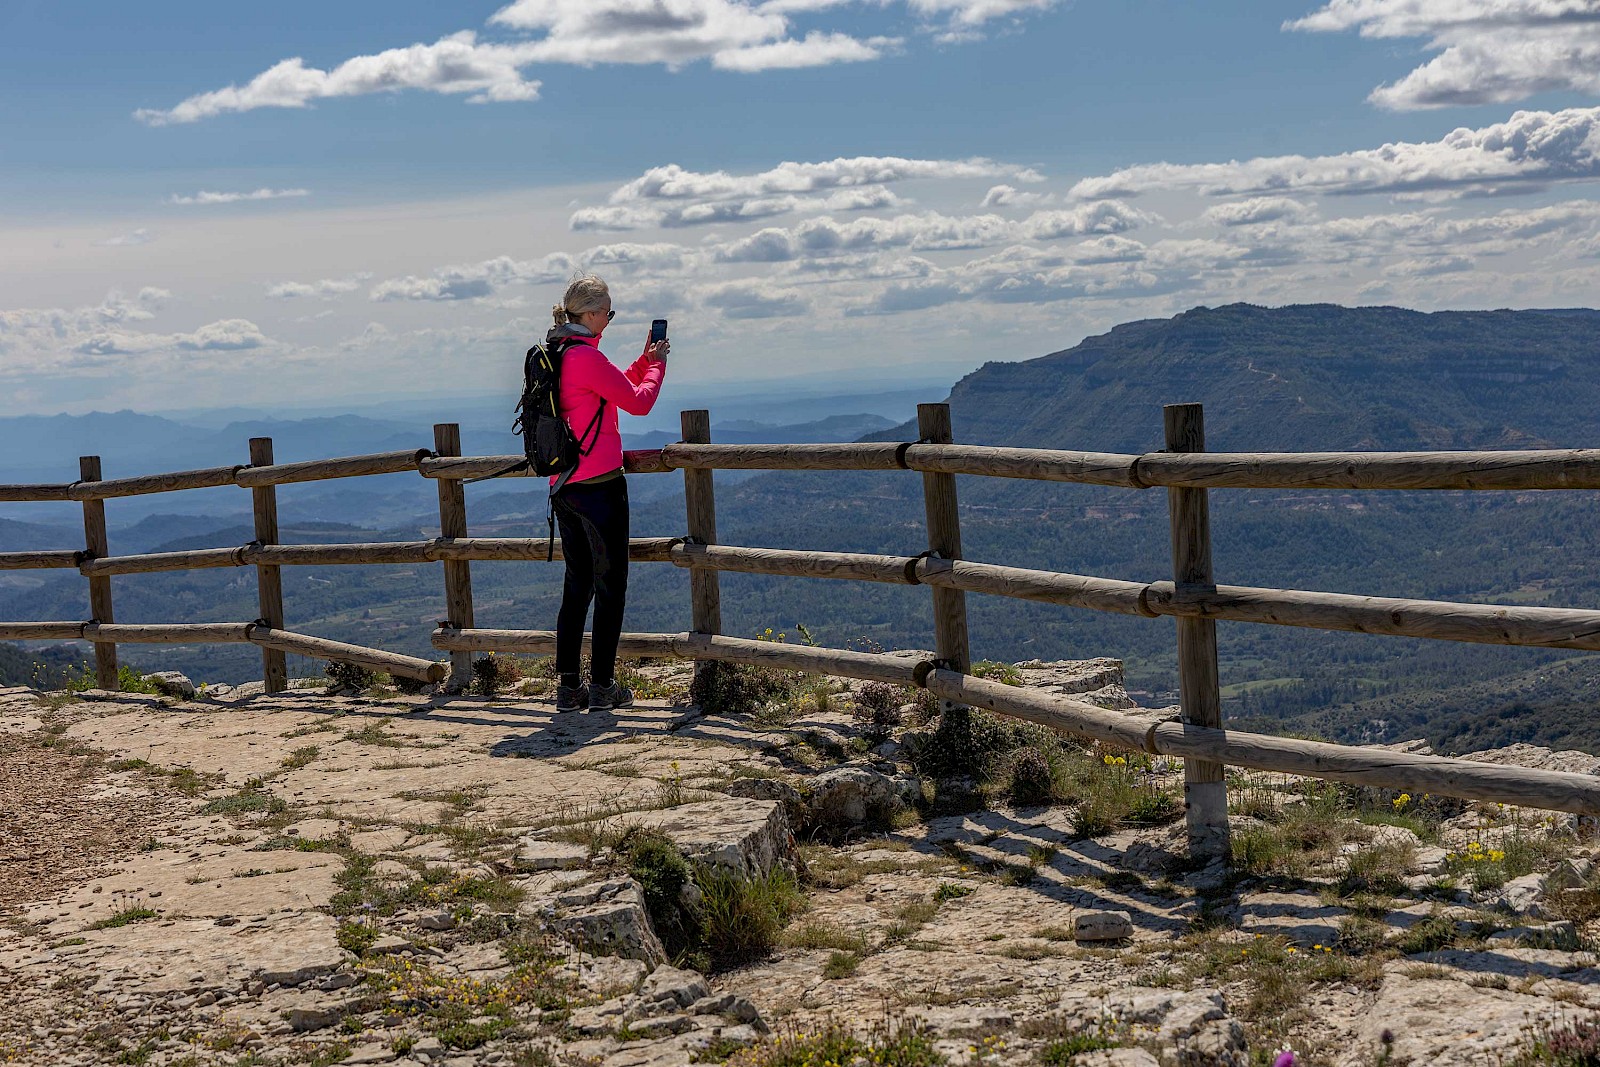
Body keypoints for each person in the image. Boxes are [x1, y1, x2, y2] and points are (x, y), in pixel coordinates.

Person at [548, 273, 668, 713]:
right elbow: (639, 402)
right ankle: (602, 686)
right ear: (592, 313)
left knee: (577, 585)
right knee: (611, 585)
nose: (609, 320)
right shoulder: (585, 357)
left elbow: (614, 390)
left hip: (563, 485)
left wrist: (642, 361)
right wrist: (658, 365)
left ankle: (568, 688)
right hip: (600, 485)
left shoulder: (560, 352)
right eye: (609, 313)